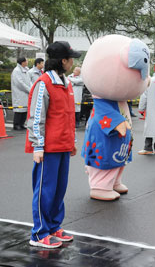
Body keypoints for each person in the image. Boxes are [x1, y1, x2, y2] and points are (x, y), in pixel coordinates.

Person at [25, 41, 81, 248]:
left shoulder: (66, 83)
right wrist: (38, 146)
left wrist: (71, 141)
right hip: (48, 148)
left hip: (62, 146)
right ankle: (39, 233)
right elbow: (36, 117)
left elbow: (67, 116)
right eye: (71, 58)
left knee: (59, 190)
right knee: (44, 191)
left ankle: (54, 226)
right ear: (63, 61)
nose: (73, 61)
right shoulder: (44, 83)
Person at [138, 62, 155, 155]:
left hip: (151, 109)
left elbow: (144, 96)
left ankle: (148, 147)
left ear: (154, 70)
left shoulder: (149, 80)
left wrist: (141, 109)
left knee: (149, 127)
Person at [11, 57, 31, 130]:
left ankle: (21, 124)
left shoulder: (26, 69)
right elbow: (19, 83)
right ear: (23, 62)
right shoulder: (16, 71)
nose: (27, 62)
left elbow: (29, 81)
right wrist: (29, 89)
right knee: (19, 109)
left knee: (25, 109)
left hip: (26, 92)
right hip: (19, 93)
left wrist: (31, 88)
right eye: (26, 60)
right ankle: (16, 125)